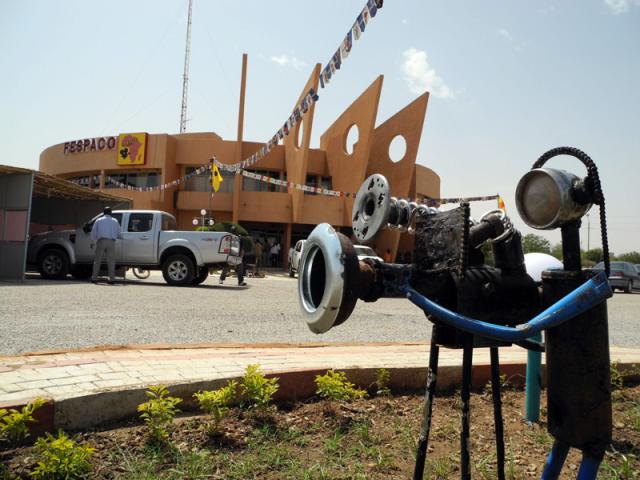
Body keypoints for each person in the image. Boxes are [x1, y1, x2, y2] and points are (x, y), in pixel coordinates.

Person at [90, 206, 122, 284]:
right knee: (111, 261)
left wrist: (92, 242)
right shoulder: (115, 221)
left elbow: (93, 232)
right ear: (111, 213)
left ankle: (94, 278)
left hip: (101, 241)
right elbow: (119, 233)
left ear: (103, 213)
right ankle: (111, 279)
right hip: (111, 242)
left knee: (97, 260)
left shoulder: (99, 220)